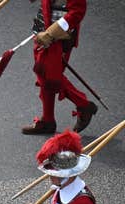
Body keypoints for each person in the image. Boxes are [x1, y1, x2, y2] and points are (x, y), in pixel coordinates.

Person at [21, 0, 97, 135]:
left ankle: (83, 105)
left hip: (58, 36)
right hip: (43, 29)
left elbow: (77, 12)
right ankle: (48, 120)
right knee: (45, 75)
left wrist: (50, 33)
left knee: (50, 76)